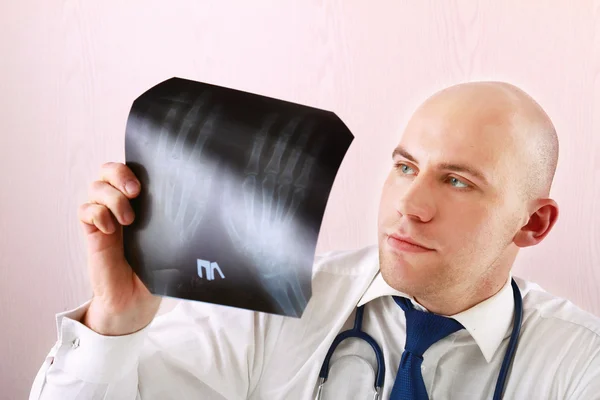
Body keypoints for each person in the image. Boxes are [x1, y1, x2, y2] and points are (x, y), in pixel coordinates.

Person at [30, 81, 600, 399]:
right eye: (405, 167)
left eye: (457, 181)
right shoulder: (272, 305)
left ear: (533, 224)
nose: (409, 206)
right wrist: (115, 322)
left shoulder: (581, 364)